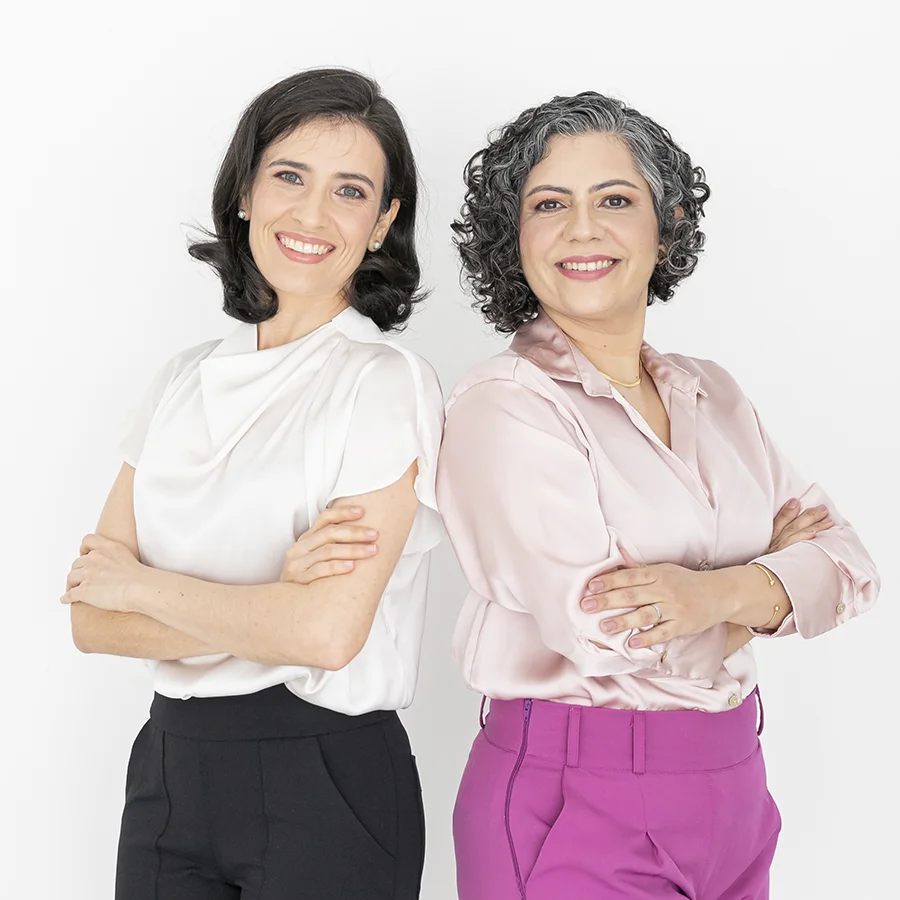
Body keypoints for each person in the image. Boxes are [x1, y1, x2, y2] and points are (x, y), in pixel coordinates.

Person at [437, 91, 879, 900]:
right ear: (513, 236)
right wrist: (776, 584)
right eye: (549, 205)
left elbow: (850, 564)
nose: (582, 229)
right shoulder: (505, 405)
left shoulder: (715, 393)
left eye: (614, 200)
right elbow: (608, 631)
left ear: (665, 224)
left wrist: (711, 594)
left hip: (735, 783)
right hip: (576, 796)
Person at [62, 68, 443, 900]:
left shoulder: (384, 383)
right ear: (244, 191)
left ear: (382, 222)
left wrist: (145, 588)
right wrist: (271, 605)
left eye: (350, 191)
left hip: (325, 777)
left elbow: (326, 636)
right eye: (289, 177)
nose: (312, 215)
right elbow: (92, 618)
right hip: (168, 771)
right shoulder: (180, 380)